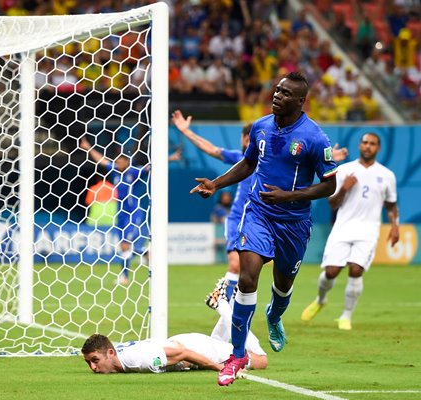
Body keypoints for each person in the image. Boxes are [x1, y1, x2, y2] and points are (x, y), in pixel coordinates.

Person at [190, 71, 338, 386]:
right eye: (276, 90)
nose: (276, 96)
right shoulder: (260, 127)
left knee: (282, 286)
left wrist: (291, 196)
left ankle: (274, 315)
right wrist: (215, 184)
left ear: (301, 101)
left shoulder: (314, 138)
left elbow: (329, 186)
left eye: (284, 93)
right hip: (258, 213)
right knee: (246, 278)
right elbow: (247, 164)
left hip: (294, 223)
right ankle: (238, 354)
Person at [171, 110, 347, 305]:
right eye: (244, 136)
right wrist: (186, 132)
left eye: (246, 136)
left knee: (264, 277)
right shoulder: (243, 158)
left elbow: (312, 165)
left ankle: (224, 307)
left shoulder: (276, 156)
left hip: (272, 218)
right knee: (237, 266)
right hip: (242, 216)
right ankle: (223, 300)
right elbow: (212, 149)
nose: (245, 140)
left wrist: (326, 158)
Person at [301, 133, 399, 330]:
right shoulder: (345, 170)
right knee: (331, 271)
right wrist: (344, 188)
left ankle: (346, 315)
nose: (367, 146)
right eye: (364, 143)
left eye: (372, 144)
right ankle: (321, 301)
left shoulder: (387, 175)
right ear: (359, 146)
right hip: (343, 228)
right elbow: (332, 203)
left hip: (369, 231)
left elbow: (391, 205)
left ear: (378, 148)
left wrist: (395, 226)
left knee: (356, 270)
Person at [81, 292, 267, 374]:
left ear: (110, 353)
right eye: (89, 362)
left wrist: (220, 368)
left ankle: (222, 305)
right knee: (216, 343)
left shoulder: (140, 359)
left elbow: (183, 353)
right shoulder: (117, 353)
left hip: (194, 348)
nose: (93, 368)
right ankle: (230, 302)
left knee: (261, 360)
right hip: (181, 343)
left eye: (95, 361)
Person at [80, 137, 149, 285]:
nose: (117, 163)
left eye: (120, 161)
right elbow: (102, 160)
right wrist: (88, 148)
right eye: (116, 161)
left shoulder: (134, 172)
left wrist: (171, 158)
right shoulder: (115, 171)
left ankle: (126, 275)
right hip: (121, 213)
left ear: (127, 161)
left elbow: (149, 166)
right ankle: (143, 253)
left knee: (125, 244)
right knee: (123, 247)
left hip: (133, 212)